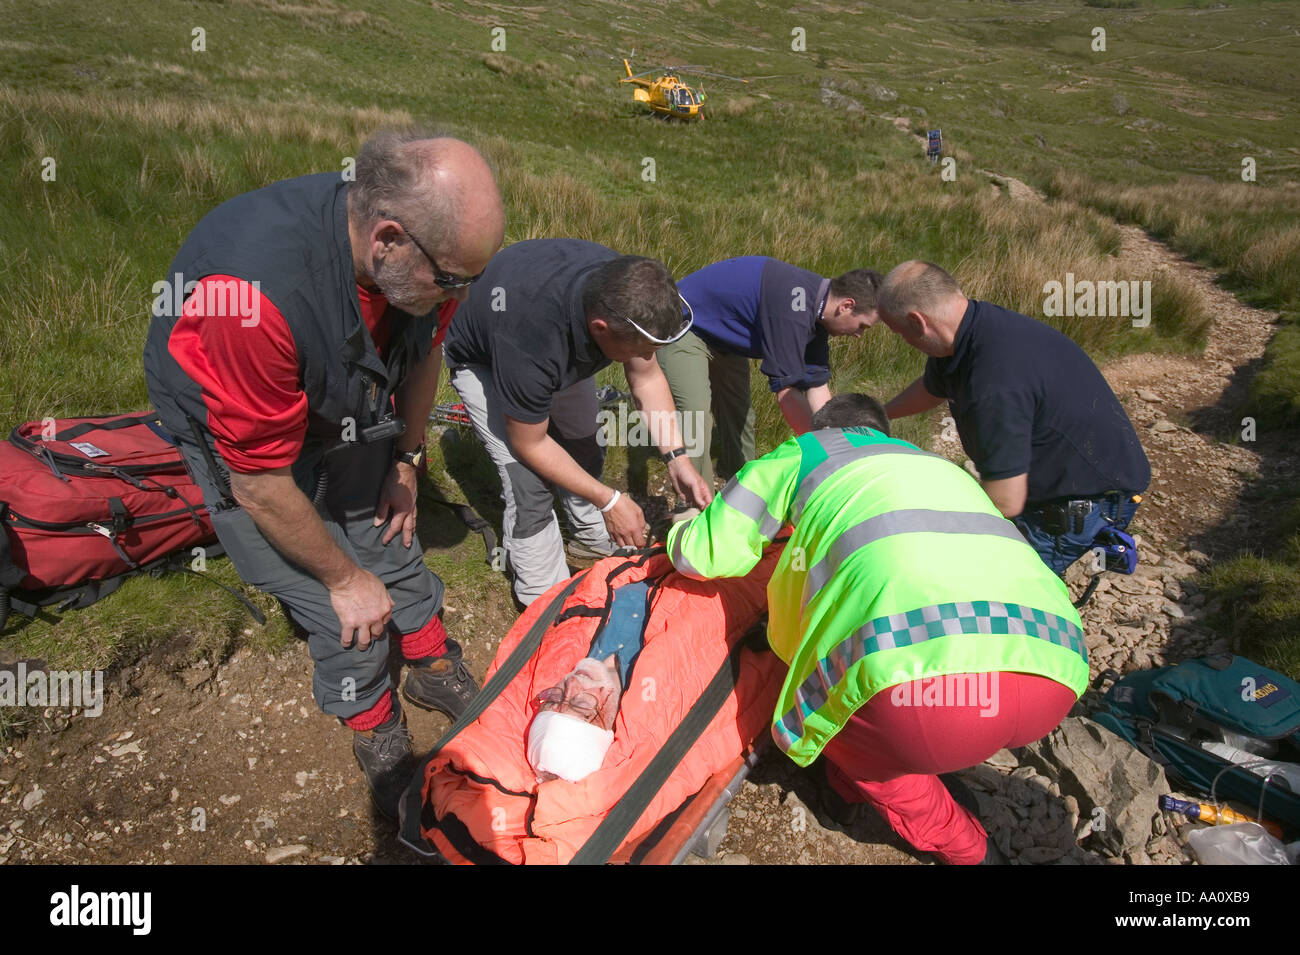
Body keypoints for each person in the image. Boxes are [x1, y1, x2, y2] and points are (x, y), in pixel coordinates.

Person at [143, 129, 506, 818]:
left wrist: (405, 457)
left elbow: (425, 349)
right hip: (243, 418)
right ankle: (371, 722)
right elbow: (258, 481)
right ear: (387, 238)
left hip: (338, 385)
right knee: (338, 604)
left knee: (389, 521)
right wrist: (344, 579)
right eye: (454, 279)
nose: (463, 292)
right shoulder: (252, 299)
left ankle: (429, 663)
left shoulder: (426, 265)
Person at [665, 393, 1090, 864]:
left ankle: (969, 849)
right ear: (882, 433)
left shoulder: (805, 452)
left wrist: (680, 527)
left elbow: (702, 556)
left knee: (850, 731)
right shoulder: (933, 465)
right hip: (1056, 664)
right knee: (901, 721)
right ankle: (873, 775)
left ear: (820, 430)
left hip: (927, 701)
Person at [442, 238, 713, 607]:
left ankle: (587, 537)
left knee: (584, 442)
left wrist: (678, 459)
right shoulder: (533, 336)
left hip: (553, 350)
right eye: (638, 349)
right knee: (528, 483)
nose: (645, 357)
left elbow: (647, 379)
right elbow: (530, 443)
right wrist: (610, 499)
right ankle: (542, 602)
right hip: (485, 357)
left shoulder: (628, 288)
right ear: (600, 329)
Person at [874, 261, 1150, 576]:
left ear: (917, 322)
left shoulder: (993, 382)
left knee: (994, 584)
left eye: (900, 333)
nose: (904, 342)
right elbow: (933, 387)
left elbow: (1005, 501)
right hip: (1056, 477)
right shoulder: (969, 330)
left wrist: (932, 527)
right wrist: (881, 414)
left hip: (1082, 500)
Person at [656, 256, 881, 495]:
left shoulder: (816, 311)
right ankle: (696, 506)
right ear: (846, 306)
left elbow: (816, 386)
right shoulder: (793, 306)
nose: (859, 335)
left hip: (725, 338)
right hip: (685, 325)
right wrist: (826, 454)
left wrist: (839, 444)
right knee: (696, 412)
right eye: (862, 326)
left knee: (740, 415)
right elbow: (788, 393)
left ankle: (742, 491)